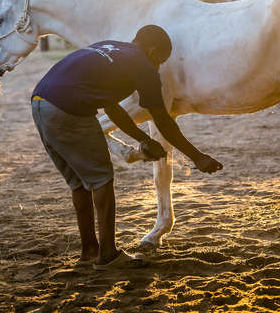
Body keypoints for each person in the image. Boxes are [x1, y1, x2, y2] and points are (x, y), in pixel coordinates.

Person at [31, 24, 223, 270]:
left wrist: (143, 140)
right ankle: (108, 255)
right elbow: (162, 120)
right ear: (153, 51)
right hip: (69, 110)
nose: (158, 68)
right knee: (101, 179)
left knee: (79, 182)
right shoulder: (144, 66)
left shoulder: (111, 48)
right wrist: (197, 157)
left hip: (40, 103)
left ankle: (90, 250)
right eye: (161, 62)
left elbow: (111, 106)